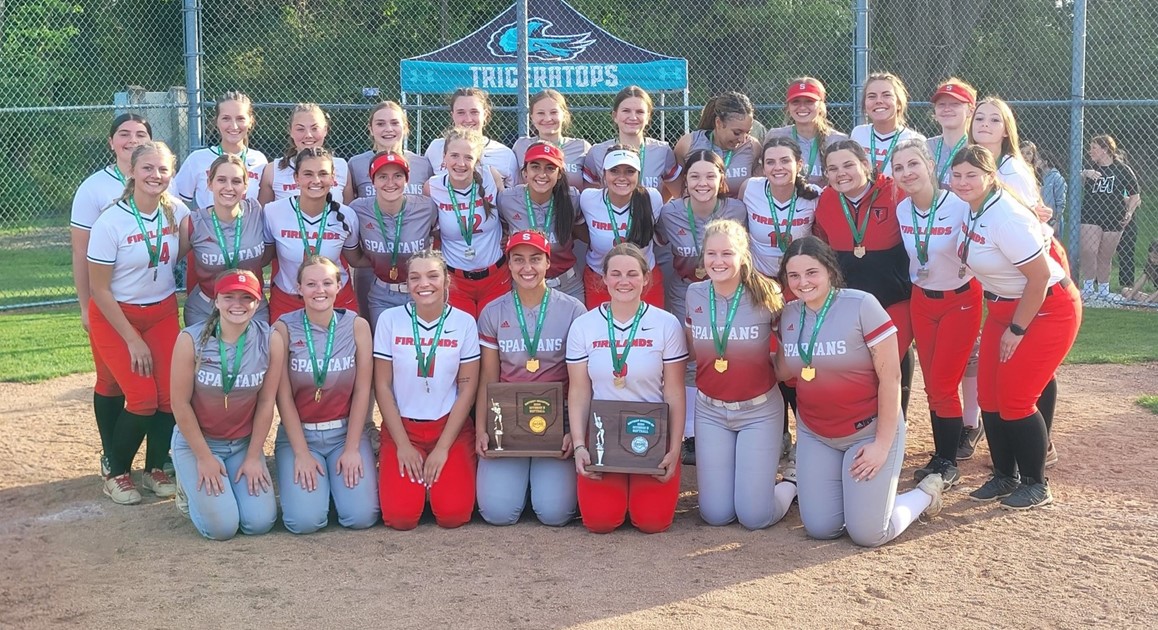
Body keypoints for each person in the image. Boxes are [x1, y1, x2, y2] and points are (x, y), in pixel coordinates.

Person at [775, 236, 944, 546]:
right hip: (816, 434)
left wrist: (881, 445)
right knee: (821, 528)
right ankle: (855, 498)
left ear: (829, 269)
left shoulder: (861, 305)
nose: (803, 282)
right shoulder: (788, 314)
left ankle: (923, 495)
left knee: (868, 534)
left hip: (867, 432)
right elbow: (784, 370)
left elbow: (891, 378)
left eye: (812, 272)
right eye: (794, 275)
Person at [951, 146, 1081, 510]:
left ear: (990, 177)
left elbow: (1039, 277)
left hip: (1045, 310)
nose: (963, 182)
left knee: (1016, 400)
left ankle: (1036, 483)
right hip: (1004, 308)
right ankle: (1004, 475)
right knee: (990, 398)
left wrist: (1018, 329)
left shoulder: (1004, 215)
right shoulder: (973, 207)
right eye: (957, 175)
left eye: (971, 175)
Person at [87, 141, 191, 504]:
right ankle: (116, 472)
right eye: (147, 168)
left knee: (171, 396)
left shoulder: (177, 211)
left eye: (163, 169)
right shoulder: (110, 220)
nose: (156, 176)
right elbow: (99, 289)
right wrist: (132, 338)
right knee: (143, 398)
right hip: (117, 316)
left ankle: (154, 469)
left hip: (161, 311)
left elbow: (190, 248)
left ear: (171, 174)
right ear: (131, 171)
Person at [566, 243, 688, 533]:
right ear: (603, 278)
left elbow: (674, 391)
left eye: (632, 274)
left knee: (652, 523)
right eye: (616, 274)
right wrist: (580, 445)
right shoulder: (584, 326)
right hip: (602, 438)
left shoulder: (666, 324)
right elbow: (579, 392)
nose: (624, 281)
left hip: (652, 437)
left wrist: (674, 447)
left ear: (646, 279)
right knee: (600, 522)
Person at [684, 220, 796, 529]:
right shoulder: (694, 294)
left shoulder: (767, 292)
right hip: (711, 411)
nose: (718, 261)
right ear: (703, 256)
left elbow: (787, 349)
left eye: (727, 254)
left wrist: (766, 367)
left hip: (758, 411)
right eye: (711, 254)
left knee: (754, 517)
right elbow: (694, 350)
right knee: (715, 515)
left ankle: (791, 481)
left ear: (743, 255)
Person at [475, 231, 587, 525]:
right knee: (497, 513)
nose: (527, 267)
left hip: (556, 422)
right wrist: (482, 429)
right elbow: (488, 377)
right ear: (508, 264)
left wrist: (574, 435)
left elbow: (581, 382)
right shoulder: (493, 312)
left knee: (555, 514)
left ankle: (536, 486)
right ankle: (520, 486)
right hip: (508, 422)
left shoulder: (573, 309)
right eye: (518, 260)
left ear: (548, 262)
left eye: (535, 259)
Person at [891, 140, 981, 488]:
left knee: (943, 384)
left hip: (960, 299)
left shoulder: (960, 205)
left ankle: (948, 460)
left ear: (930, 165)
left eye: (913, 164)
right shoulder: (903, 210)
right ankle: (942, 453)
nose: (906, 173)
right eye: (898, 168)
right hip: (922, 300)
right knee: (934, 385)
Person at [374, 250, 480, 529]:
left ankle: (437, 484)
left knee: (453, 516)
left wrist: (443, 447)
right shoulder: (389, 319)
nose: (424, 284)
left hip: (448, 428)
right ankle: (417, 485)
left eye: (433, 276)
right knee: (400, 518)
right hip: (404, 428)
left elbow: (467, 389)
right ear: (407, 284)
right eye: (415, 278)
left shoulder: (464, 322)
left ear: (446, 280)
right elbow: (382, 386)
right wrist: (403, 446)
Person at [170, 270, 280, 540]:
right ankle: (188, 489)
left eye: (246, 298)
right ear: (216, 301)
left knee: (259, 523)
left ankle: (227, 483)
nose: (237, 304)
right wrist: (204, 458)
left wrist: (255, 456)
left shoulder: (270, 339)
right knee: (222, 529)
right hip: (199, 444)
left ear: (258, 302)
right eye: (229, 297)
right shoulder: (191, 340)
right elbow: (180, 404)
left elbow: (267, 402)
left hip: (242, 446)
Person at [71, 113, 152, 478]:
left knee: (154, 384)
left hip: (152, 302)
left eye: (140, 134)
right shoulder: (94, 187)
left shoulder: (159, 177)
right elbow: (80, 252)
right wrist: (85, 305)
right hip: (108, 303)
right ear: (111, 142)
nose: (131, 140)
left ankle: (156, 461)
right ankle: (112, 457)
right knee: (111, 381)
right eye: (124, 134)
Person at [273, 255, 379, 533]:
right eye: (311, 284)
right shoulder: (283, 328)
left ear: (339, 286)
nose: (319, 290)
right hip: (301, 434)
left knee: (361, 518)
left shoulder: (357, 326)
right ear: (298, 288)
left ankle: (335, 490)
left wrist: (353, 447)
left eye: (327, 283)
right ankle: (322, 492)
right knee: (304, 522)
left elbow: (362, 390)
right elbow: (283, 398)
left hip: (344, 434)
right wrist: (301, 453)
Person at [812, 139, 916, 417]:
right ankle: (860, 424)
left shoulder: (896, 192)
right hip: (849, 302)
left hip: (895, 298)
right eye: (832, 168)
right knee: (858, 365)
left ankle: (896, 425)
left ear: (866, 165)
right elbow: (822, 243)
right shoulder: (826, 199)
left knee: (889, 361)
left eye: (848, 165)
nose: (840, 173)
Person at [346, 102, 435, 323]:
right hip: (375, 268)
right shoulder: (356, 164)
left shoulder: (423, 164)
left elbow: (433, 217)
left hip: (414, 266)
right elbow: (351, 217)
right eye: (380, 123)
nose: (388, 129)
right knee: (376, 333)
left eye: (395, 123)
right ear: (370, 128)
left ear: (406, 127)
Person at [263, 147, 361, 322]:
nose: (316, 180)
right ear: (296, 178)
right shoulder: (273, 212)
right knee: (282, 348)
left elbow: (355, 259)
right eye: (308, 174)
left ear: (333, 178)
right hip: (289, 298)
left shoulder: (347, 215)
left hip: (335, 297)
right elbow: (265, 258)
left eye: (323, 174)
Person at [426, 127, 510, 318]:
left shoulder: (490, 176)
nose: (461, 163)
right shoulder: (433, 187)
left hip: (495, 276)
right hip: (455, 280)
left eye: (469, 157)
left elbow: (508, 213)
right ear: (444, 158)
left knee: (494, 339)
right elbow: (432, 230)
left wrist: (509, 234)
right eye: (454, 156)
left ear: (478, 160)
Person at [657, 150, 747, 325]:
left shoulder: (738, 210)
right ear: (686, 179)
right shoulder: (669, 213)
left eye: (710, 176)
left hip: (729, 292)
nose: (702, 183)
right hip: (686, 289)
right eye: (695, 176)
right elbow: (659, 244)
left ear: (721, 178)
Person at [185, 155, 270, 326]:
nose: (229, 187)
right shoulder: (194, 223)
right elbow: (168, 263)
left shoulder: (256, 212)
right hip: (206, 307)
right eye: (221, 180)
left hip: (252, 304)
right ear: (210, 183)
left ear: (246, 186)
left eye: (236, 181)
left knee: (256, 352)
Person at [577, 146, 665, 309]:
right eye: (614, 171)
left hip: (644, 278)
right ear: (604, 174)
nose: (622, 177)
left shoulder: (652, 198)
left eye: (629, 171)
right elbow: (580, 230)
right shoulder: (588, 199)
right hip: (599, 277)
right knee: (602, 332)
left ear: (639, 175)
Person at [496, 142, 585, 301]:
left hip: (568, 286)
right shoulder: (508, 200)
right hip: (524, 285)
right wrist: (507, 237)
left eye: (550, 168)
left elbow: (582, 233)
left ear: (559, 173)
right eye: (535, 167)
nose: (542, 174)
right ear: (525, 172)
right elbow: (500, 226)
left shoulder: (572, 199)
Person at [739, 136, 822, 287]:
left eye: (785, 161)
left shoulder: (814, 195)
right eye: (770, 162)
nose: (778, 167)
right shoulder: (750, 189)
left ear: (799, 164)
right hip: (759, 278)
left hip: (799, 279)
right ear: (763, 168)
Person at [174, 92, 267, 210]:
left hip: (247, 228)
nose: (234, 126)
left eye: (240, 119)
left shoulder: (259, 160)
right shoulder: (197, 159)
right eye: (226, 118)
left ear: (250, 121)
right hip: (209, 227)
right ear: (216, 121)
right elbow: (174, 199)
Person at [582, 85, 679, 195]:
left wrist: (654, 207)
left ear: (648, 117)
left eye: (639, 112)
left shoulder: (662, 151)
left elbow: (677, 194)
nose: (633, 117)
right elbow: (589, 196)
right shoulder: (597, 152)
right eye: (626, 111)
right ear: (615, 116)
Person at [1080, 135, 1141, 304]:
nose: (1090, 151)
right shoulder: (1089, 167)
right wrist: (1085, 173)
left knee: (1105, 255)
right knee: (1088, 250)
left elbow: (1135, 195)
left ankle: (1104, 290)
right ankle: (1088, 287)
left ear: (1106, 149)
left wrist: (1129, 213)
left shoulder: (1122, 169)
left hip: (1114, 216)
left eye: (1094, 148)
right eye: (1090, 147)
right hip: (1091, 215)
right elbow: (1074, 181)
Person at [424, 88, 518, 187]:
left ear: (485, 115)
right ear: (453, 115)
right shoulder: (436, 148)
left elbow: (513, 197)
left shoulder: (504, 154)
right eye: (461, 112)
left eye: (474, 112)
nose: (468, 119)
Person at [259, 103, 351, 205]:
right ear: (290, 131)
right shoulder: (273, 170)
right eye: (300, 129)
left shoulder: (341, 166)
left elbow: (349, 213)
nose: (308, 135)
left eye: (315, 128)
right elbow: (263, 216)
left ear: (325, 129)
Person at [766, 78, 849, 186]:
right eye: (796, 102)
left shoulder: (838, 140)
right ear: (788, 106)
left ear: (821, 105)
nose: (802, 107)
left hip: (826, 200)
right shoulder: (776, 136)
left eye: (809, 101)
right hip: (788, 201)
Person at [673, 91, 757, 195]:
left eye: (747, 132)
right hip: (698, 210)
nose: (742, 139)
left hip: (737, 210)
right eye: (737, 133)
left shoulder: (753, 147)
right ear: (718, 123)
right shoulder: (689, 144)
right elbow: (678, 190)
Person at [849, 72, 926, 178]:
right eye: (872, 96)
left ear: (899, 103)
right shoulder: (858, 133)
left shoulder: (915, 140)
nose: (879, 101)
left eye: (886, 95)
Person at [512, 90, 591, 189]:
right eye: (540, 113)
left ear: (564, 114)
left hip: (570, 204)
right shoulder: (521, 146)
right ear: (532, 117)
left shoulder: (581, 147)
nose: (548, 118)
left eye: (554, 112)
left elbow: (591, 188)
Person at [925, 79, 977, 189]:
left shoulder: (976, 149)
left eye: (955, 104)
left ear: (971, 111)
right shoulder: (926, 146)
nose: (947, 109)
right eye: (941, 104)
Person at [1021, 141, 1067, 227]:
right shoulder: (1013, 170)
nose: (1024, 156)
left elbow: (1060, 201)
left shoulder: (1038, 174)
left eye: (1028, 153)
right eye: (1022, 153)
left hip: (1043, 216)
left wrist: (1056, 220)